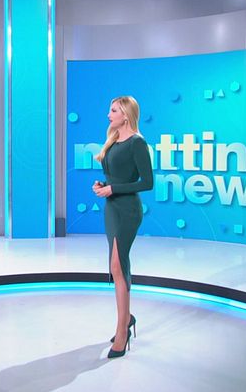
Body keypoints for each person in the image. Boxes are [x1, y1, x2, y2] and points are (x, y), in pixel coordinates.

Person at [92, 95, 153, 359]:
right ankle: (127, 318)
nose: (109, 115)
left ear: (126, 115)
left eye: (114, 110)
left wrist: (113, 188)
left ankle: (122, 332)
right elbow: (113, 177)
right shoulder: (114, 139)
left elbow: (147, 182)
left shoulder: (137, 143)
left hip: (128, 210)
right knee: (115, 266)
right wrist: (103, 186)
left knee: (118, 266)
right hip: (112, 209)